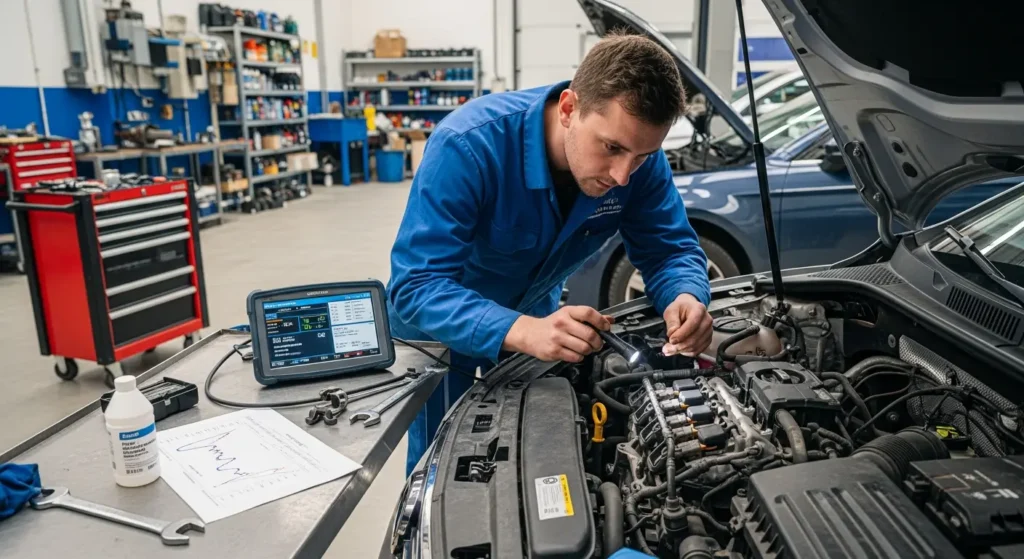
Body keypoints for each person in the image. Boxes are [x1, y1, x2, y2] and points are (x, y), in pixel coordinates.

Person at [388, 32, 714, 474]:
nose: (623, 175)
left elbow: (669, 247)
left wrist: (686, 295)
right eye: (612, 148)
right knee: (442, 468)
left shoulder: (639, 159)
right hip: (440, 337)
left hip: (537, 322)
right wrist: (520, 329)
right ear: (568, 109)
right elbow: (416, 287)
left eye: (641, 156)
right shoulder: (468, 146)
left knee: (526, 455)